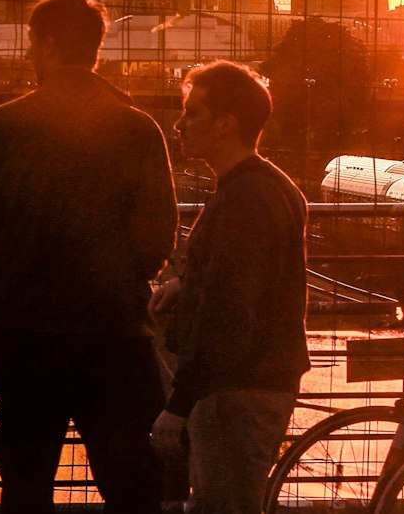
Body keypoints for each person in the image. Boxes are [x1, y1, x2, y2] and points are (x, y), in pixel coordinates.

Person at [0, 0, 178, 514]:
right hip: (113, 333)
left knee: (28, 480)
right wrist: (120, 276)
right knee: (131, 484)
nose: (27, 52)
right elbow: (159, 234)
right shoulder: (136, 127)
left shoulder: (1, 126)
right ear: (95, 48)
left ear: (49, 45)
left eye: (32, 41)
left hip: (26, 333)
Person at [149, 61, 310, 514]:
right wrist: (189, 284)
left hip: (235, 393)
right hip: (257, 384)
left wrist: (180, 404)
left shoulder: (242, 200)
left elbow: (228, 313)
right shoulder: (271, 186)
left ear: (226, 123)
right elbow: (246, 280)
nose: (179, 125)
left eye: (192, 113)